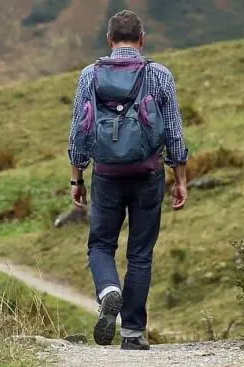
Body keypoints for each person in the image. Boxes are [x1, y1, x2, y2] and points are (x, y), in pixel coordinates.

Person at [67, 10, 188, 350]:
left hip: (105, 173)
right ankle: (133, 333)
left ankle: (108, 290)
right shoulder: (160, 75)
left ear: (109, 40)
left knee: (101, 244)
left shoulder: (89, 75)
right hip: (148, 173)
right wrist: (180, 178)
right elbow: (175, 132)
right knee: (140, 253)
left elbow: (79, 130)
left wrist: (77, 178)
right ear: (141, 39)